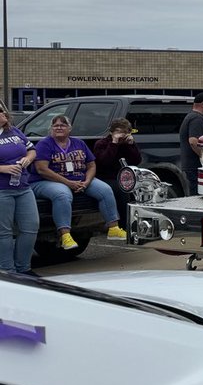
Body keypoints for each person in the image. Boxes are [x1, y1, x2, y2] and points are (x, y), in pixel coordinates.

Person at [30, 115, 126, 249]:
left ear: (70, 128)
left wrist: (86, 182)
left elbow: (91, 165)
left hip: (79, 179)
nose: (59, 127)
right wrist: (68, 183)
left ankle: (113, 228)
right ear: (51, 129)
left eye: (63, 125)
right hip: (45, 181)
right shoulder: (44, 144)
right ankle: (65, 236)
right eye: (55, 125)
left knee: (105, 189)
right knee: (63, 194)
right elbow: (42, 170)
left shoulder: (78, 143)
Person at [0, 103, 37, 274]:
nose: (2, 114)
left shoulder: (14, 131)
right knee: (4, 232)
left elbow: (31, 150)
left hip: (23, 186)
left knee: (31, 227)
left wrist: (28, 159)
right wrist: (3, 168)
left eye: (2, 111)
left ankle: (24, 268)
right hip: (2, 190)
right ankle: (8, 270)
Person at [93, 117, 142, 224]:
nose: (122, 135)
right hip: (106, 177)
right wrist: (114, 143)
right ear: (111, 132)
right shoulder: (101, 144)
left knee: (140, 188)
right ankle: (124, 224)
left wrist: (131, 146)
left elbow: (137, 160)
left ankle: (139, 221)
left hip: (124, 176)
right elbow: (104, 162)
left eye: (125, 132)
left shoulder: (127, 144)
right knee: (122, 190)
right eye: (118, 132)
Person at [179, 92, 203, 195]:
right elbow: (193, 141)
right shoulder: (197, 118)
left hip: (191, 166)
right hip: (195, 166)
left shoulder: (193, 116)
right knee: (197, 196)